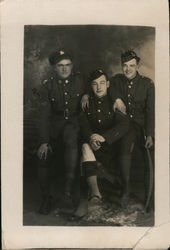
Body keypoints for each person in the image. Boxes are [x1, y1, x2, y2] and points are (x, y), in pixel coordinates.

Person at [73, 69, 129, 219]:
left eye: (102, 83)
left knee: (84, 159)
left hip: (110, 150)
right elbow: (83, 124)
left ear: (108, 84)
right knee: (84, 147)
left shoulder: (115, 102)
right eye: (95, 84)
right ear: (90, 86)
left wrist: (104, 137)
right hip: (92, 147)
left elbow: (125, 124)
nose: (99, 87)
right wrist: (91, 137)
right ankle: (96, 195)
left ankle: (91, 193)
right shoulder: (86, 102)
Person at [37, 50, 85, 214]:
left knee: (71, 136)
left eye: (67, 65)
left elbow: (96, 93)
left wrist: (86, 96)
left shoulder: (80, 81)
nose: (64, 69)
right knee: (43, 156)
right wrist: (44, 141)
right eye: (60, 66)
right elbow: (44, 116)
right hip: (54, 129)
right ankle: (46, 198)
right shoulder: (48, 86)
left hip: (74, 126)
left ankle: (67, 190)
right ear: (54, 68)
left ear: (72, 66)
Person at [109, 50, 155, 206]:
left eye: (131, 66)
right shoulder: (117, 80)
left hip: (142, 127)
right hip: (126, 127)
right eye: (125, 65)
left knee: (151, 158)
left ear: (137, 66)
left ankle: (152, 196)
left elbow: (151, 112)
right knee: (124, 151)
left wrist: (149, 134)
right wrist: (116, 98)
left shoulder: (147, 84)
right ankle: (126, 190)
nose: (128, 69)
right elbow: (109, 86)